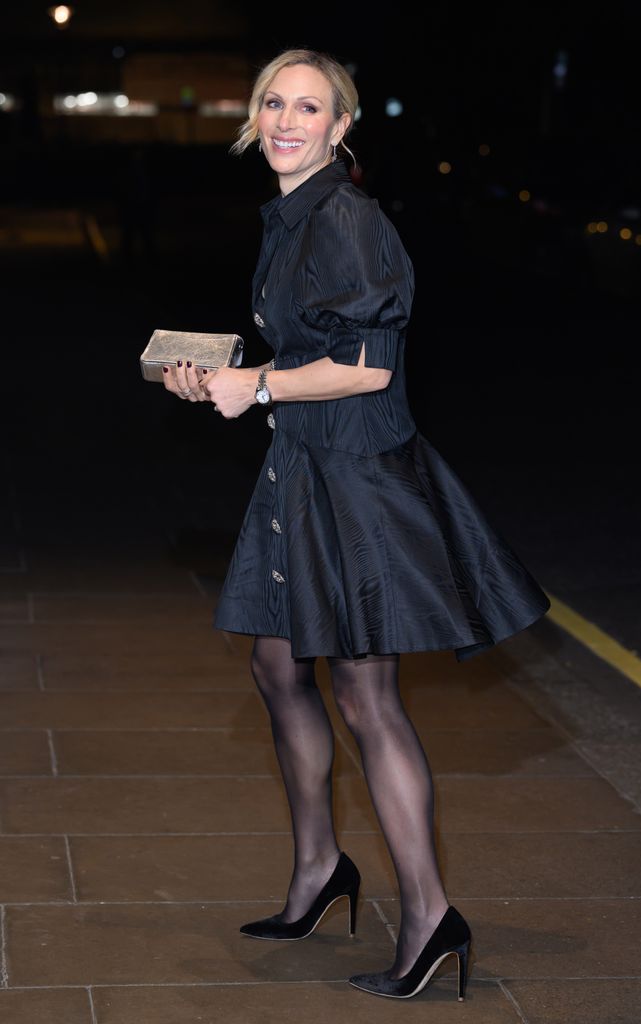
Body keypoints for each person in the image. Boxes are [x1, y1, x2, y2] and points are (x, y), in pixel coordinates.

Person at [162, 47, 550, 1002]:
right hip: (305, 464)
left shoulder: (347, 217)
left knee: (368, 700)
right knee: (276, 666)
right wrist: (221, 376)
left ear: (341, 127)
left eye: (311, 107)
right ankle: (320, 869)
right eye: (274, 104)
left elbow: (370, 364)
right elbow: (314, 344)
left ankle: (428, 915)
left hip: (357, 480)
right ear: (255, 117)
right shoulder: (294, 213)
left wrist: (253, 386)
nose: (289, 121)